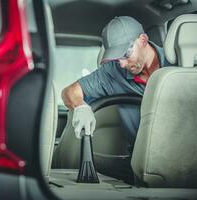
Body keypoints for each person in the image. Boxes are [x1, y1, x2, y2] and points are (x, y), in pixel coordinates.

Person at [61, 16, 170, 183]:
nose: (122, 64)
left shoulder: (180, 62)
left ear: (143, 40)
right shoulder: (113, 73)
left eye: (126, 54)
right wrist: (81, 106)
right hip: (142, 162)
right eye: (116, 58)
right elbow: (70, 91)